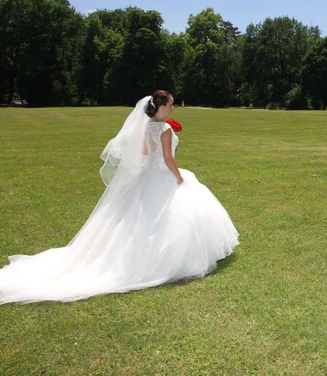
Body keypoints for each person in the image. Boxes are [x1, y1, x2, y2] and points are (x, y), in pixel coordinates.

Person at [0, 91, 239, 304]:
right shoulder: (165, 128)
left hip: (148, 176)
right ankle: (165, 260)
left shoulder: (147, 126)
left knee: (138, 218)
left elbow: (145, 152)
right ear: (162, 106)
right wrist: (178, 176)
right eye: (171, 104)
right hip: (163, 175)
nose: (173, 108)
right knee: (175, 213)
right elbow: (167, 158)